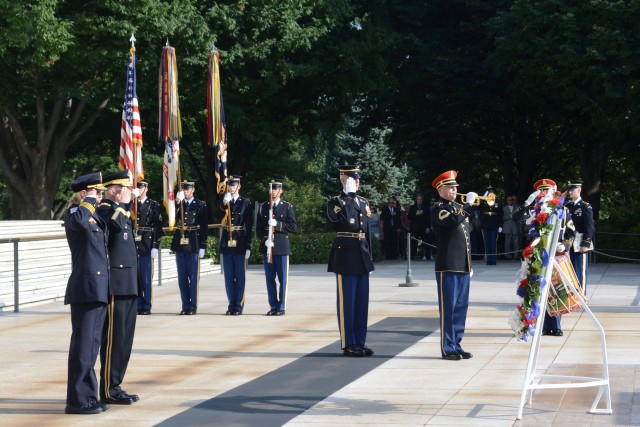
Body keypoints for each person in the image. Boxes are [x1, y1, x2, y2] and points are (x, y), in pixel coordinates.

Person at [64, 172, 110, 415]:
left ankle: (89, 397)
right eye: (96, 192)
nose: (100, 196)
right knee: (83, 347)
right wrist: (88, 202)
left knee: (91, 347)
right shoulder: (76, 214)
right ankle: (77, 400)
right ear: (84, 193)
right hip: (86, 288)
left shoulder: (92, 216)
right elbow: (79, 222)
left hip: (98, 288)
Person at [97, 169, 140, 405]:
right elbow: (112, 230)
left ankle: (116, 384)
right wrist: (123, 205)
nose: (129, 191)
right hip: (116, 284)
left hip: (130, 283)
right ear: (114, 189)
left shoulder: (121, 211)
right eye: (125, 187)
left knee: (125, 339)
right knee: (114, 339)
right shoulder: (105, 209)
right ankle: (108, 388)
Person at [327, 165, 375, 357]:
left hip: (361, 255)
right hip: (345, 255)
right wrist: (348, 197)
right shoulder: (336, 202)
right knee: (347, 302)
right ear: (343, 180)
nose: (356, 183)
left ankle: (360, 341)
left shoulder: (363, 202)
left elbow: (366, 231)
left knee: (362, 302)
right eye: (352, 180)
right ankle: (348, 343)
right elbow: (345, 221)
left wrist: (370, 257)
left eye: (357, 180)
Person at [431, 170, 473, 361]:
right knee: (448, 308)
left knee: (460, 308)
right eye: (450, 187)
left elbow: (469, 231)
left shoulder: (457, 207)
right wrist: (468, 207)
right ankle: (447, 346)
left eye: (455, 186)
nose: (455, 189)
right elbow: (452, 222)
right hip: (447, 265)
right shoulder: (439, 208)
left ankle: (456, 343)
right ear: (440, 190)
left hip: (462, 265)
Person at [525, 179, 575, 337]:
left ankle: (556, 324)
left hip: (556, 254)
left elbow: (571, 233)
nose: (545, 194)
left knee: (557, 289)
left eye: (548, 190)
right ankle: (544, 325)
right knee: (540, 290)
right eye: (542, 191)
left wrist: (565, 245)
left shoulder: (563, 210)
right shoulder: (534, 211)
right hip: (538, 255)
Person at [256, 179, 298, 316]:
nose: (274, 192)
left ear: (281, 191)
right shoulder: (263, 207)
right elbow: (258, 229)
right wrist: (265, 239)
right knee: (269, 279)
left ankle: (281, 306)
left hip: (281, 246)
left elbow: (293, 227)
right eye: (272, 189)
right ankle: (273, 305)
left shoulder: (287, 207)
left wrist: (278, 224)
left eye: (276, 189)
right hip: (268, 247)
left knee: (282, 279)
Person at [171, 179, 209, 315]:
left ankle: (192, 306)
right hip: (180, 244)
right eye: (183, 189)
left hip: (193, 243)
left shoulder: (200, 205)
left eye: (188, 189)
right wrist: (176, 203)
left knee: (193, 278)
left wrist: (203, 245)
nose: (185, 192)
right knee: (182, 278)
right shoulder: (178, 204)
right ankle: (185, 305)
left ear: (193, 189)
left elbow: (204, 227)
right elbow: (172, 220)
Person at [219, 175, 253, 315]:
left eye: (234, 185)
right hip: (227, 242)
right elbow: (217, 216)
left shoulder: (245, 203)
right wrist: (223, 204)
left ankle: (238, 305)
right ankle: (231, 304)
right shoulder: (224, 202)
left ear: (239, 186)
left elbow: (249, 225)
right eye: (230, 185)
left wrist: (249, 245)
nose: (231, 188)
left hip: (239, 242)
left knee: (239, 276)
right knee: (228, 277)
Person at [134, 180, 163, 315]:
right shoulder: (131, 204)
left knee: (146, 278)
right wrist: (130, 201)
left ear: (146, 189)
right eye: (137, 187)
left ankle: (147, 305)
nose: (138, 190)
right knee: (136, 278)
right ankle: (138, 304)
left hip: (146, 243)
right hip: (133, 245)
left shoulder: (153, 205)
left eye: (141, 187)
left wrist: (155, 245)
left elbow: (157, 227)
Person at [564, 179, 595, 294]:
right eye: (569, 191)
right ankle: (573, 293)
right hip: (568, 243)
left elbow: (589, 227)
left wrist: (586, 243)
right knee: (570, 269)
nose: (570, 193)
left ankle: (581, 294)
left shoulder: (585, 206)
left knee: (580, 269)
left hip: (579, 242)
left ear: (579, 190)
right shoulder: (567, 206)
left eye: (572, 190)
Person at [478, 186, 503, 265]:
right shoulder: (484, 201)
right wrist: (483, 199)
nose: (490, 192)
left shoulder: (498, 201)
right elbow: (478, 208)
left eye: (491, 191)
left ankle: (493, 259)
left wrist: (500, 225)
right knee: (487, 242)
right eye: (488, 191)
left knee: (493, 242)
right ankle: (488, 259)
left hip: (494, 223)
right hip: (485, 224)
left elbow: (501, 214)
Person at [409, 193, 430, 260]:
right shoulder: (412, 207)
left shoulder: (426, 207)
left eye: (420, 199)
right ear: (416, 199)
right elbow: (409, 217)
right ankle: (412, 257)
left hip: (423, 228)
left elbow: (428, 218)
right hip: (415, 228)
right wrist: (416, 214)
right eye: (418, 199)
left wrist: (428, 227)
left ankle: (428, 256)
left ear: (422, 200)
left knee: (426, 242)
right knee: (414, 243)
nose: (419, 200)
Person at [502, 195, 522, 260]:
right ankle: (507, 256)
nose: (510, 201)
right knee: (507, 242)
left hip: (515, 227)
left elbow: (520, 217)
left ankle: (516, 255)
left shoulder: (517, 207)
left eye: (511, 200)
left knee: (516, 242)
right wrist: (510, 215)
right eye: (509, 200)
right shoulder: (503, 208)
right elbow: (502, 218)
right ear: (507, 201)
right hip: (507, 227)